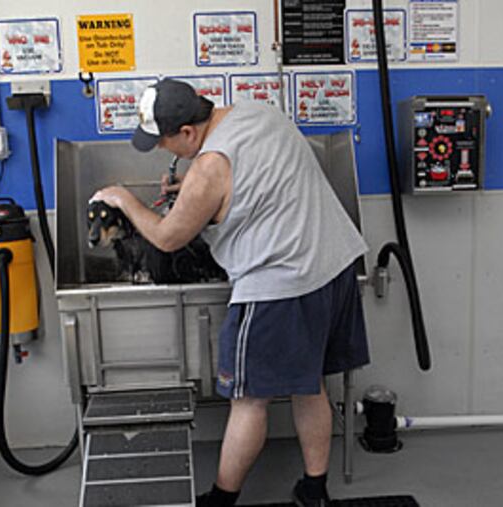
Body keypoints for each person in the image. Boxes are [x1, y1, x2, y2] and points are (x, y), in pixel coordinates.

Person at [91, 79, 370, 507]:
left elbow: (168, 237)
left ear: (187, 132)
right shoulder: (259, 113)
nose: (167, 154)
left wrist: (126, 200)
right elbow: (259, 181)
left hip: (279, 286)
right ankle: (314, 490)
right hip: (333, 266)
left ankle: (222, 499)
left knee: (248, 400)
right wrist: (193, 192)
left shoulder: (208, 167)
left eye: (165, 143)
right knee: (309, 383)